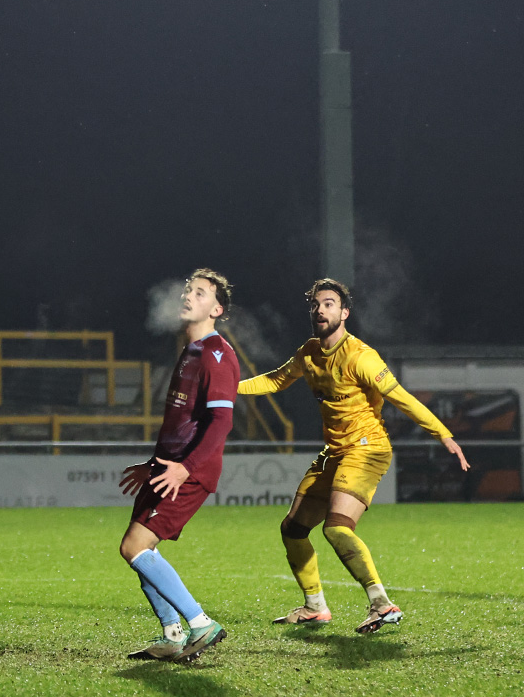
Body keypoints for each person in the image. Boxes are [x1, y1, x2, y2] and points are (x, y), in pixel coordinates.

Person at [240, 278, 469, 633]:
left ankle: (382, 605)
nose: (320, 310)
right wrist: (229, 387)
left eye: (329, 304)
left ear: (344, 313)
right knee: (293, 529)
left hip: (367, 448)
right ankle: (315, 607)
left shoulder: (361, 356)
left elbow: (400, 397)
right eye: (315, 305)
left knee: (336, 528)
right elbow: (276, 380)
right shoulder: (309, 352)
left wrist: (442, 433)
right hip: (335, 451)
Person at [119, 269, 239, 662]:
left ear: (216, 309)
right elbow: (181, 422)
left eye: (200, 293)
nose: (188, 296)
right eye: (188, 290)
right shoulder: (191, 351)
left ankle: (201, 623)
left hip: (189, 471)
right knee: (139, 548)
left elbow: (221, 422)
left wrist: (184, 469)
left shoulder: (217, 353)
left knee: (135, 547)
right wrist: (154, 464)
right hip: (167, 467)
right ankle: (172, 635)